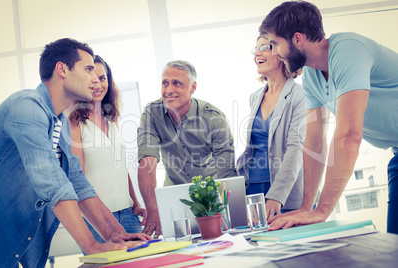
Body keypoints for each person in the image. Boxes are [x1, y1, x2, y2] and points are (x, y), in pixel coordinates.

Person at [0, 38, 150, 268]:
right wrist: (92, 245)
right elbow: (51, 179)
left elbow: (76, 180)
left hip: (23, 240)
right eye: (88, 69)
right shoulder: (26, 106)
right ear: (62, 69)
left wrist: (110, 234)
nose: (94, 79)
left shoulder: (61, 123)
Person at [259, 1, 398, 233]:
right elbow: (314, 142)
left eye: (274, 44)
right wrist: (308, 207)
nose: (273, 53)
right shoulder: (312, 75)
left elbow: (348, 135)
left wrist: (322, 211)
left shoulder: (348, 50)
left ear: (296, 39)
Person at [137, 60, 237, 237]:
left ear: (193, 87)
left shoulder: (214, 118)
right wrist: (153, 209)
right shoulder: (152, 113)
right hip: (173, 200)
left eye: (177, 83)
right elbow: (147, 160)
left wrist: (231, 214)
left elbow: (226, 171)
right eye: (164, 83)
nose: (168, 90)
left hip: (210, 200)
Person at [68, 55, 148, 245]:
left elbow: (119, 166)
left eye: (102, 78)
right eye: (91, 78)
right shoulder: (73, 121)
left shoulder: (111, 119)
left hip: (128, 213)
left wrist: (136, 203)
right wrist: (108, 222)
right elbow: (78, 177)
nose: (97, 84)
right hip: (97, 219)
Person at [236, 35, 306, 222]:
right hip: (253, 189)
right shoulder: (255, 97)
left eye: (264, 47)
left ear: (282, 52)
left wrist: (276, 196)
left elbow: (296, 149)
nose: (257, 53)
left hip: (285, 192)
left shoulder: (300, 95)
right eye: (255, 49)